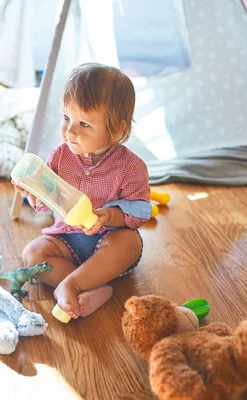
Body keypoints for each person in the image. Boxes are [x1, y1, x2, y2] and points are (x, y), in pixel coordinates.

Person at [12, 63, 152, 320]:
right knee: (32, 254)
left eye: (84, 123)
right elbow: (47, 205)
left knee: (129, 243)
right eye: (66, 118)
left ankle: (72, 285)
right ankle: (94, 286)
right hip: (66, 238)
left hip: (107, 240)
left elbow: (142, 210)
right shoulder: (59, 156)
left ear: (117, 130)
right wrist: (34, 194)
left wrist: (110, 216)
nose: (70, 131)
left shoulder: (131, 167)